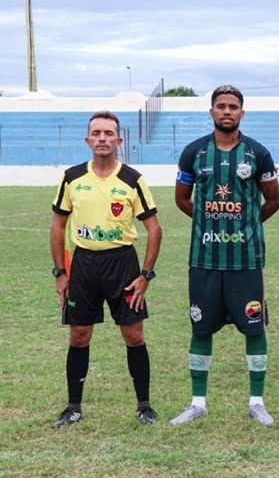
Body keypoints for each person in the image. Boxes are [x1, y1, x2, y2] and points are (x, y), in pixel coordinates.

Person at [171, 85, 279, 426]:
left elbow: (273, 201)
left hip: (246, 262)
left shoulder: (257, 154)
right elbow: (182, 199)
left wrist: (248, 225)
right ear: (211, 112)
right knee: (201, 329)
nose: (227, 111)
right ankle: (198, 403)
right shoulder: (194, 152)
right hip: (204, 260)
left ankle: (257, 402)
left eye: (233, 106)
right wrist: (210, 222)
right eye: (221, 106)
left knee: (254, 328)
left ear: (242, 113)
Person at [50, 110, 163, 428]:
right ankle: (73, 408)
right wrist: (60, 272)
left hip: (122, 264)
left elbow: (154, 229)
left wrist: (146, 274)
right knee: (79, 335)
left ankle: (144, 406)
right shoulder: (72, 178)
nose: (102, 138)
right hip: (84, 265)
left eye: (108, 133)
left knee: (134, 335)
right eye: (96, 133)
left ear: (119, 140)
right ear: (87, 140)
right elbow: (58, 226)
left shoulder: (131, 179)